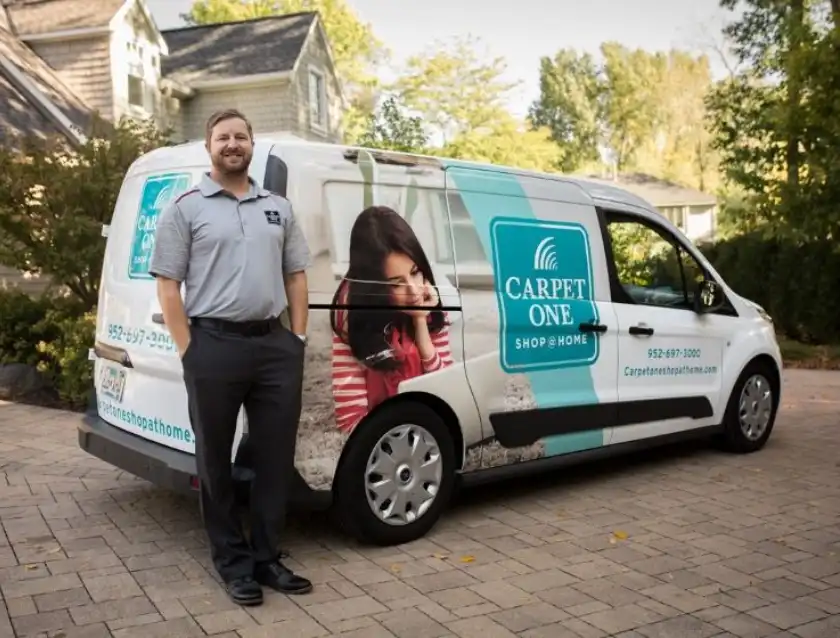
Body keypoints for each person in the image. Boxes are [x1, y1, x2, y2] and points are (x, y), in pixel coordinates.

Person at [148, 109, 312, 606]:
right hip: (212, 347)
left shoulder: (278, 207)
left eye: (241, 136)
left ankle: (266, 557)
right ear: (209, 147)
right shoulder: (185, 207)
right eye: (223, 137)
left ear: (252, 144)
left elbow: (297, 275)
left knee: (274, 459)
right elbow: (168, 286)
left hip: (273, 347)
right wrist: (189, 349)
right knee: (215, 461)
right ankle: (233, 563)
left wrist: (297, 340)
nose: (233, 143)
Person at [330, 206, 454, 433]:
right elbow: (350, 421)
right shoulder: (353, 319)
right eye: (397, 283)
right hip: (384, 440)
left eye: (416, 272)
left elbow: (448, 395)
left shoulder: (429, 303)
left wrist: (420, 324)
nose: (414, 291)